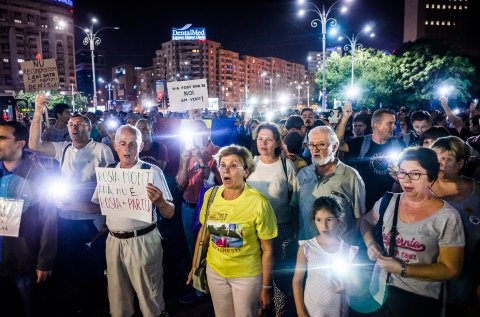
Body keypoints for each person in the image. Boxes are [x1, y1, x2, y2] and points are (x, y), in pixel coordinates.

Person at [29, 93, 115, 315]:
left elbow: (112, 189)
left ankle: (98, 307)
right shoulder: (64, 148)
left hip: (92, 223)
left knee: (94, 271)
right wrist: (38, 112)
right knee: (71, 268)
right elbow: (34, 145)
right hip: (66, 221)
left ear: (89, 128)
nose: (74, 128)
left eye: (79, 124)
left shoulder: (101, 150)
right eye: (70, 124)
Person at [361, 147, 465, 317]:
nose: (407, 180)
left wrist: (403, 268)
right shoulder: (388, 201)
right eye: (402, 173)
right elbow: (365, 222)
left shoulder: (447, 217)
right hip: (380, 292)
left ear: (431, 177)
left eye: (415, 174)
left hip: (419, 299)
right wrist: (370, 243)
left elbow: (451, 269)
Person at [92, 125, 174, 317]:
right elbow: (98, 205)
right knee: (118, 300)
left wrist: (160, 201)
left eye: (132, 144)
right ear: (115, 146)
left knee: (150, 298)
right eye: (122, 144)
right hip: (114, 242)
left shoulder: (151, 171)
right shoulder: (109, 172)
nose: (127, 149)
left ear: (141, 146)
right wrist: (67, 205)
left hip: (143, 241)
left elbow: (170, 213)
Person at [187, 145, 278, 317]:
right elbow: (204, 233)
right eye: (222, 165)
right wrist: (195, 266)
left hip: (246, 277)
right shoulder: (210, 195)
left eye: (234, 165)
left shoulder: (258, 203)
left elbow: (268, 250)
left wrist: (266, 287)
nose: (226, 169)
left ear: (246, 171)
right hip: (215, 273)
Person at [0, 121, 56, 317]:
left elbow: (49, 219)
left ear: (20, 144)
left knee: (29, 307)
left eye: (3, 138)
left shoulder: (38, 174)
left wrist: (44, 261)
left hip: (22, 257)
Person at [247, 122, 299, 317]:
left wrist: (295, 229)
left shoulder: (286, 165)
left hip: (280, 229)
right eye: (260, 139)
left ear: (277, 142)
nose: (263, 143)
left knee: (279, 275)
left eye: (268, 139)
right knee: (256, 270)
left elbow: (295, 198)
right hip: (254, 230)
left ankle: (280, 311)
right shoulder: (250, 164)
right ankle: (258, 308)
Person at [429, 136, 480, 315]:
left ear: (460, 163)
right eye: (436, 158)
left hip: (464, 274)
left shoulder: (477, 192)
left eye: (447, 159)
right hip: (425, 274)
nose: (440, 164)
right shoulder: (422, 188)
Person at [297, 126, 366, 244]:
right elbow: (296, 210)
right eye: (311, 145)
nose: (314, 150)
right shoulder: (303, 174)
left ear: (334, 147)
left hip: (338, 253)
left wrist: (350, 246)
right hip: (307, 247)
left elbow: (359, 216)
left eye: (321, 145)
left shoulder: (350, 176)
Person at [293, 195, 358, 317]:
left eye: (329, 220)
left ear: (339, 220)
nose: (324, 226)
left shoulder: (348, 251)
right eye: (319, 220)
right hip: (311, 310)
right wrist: (301, 312)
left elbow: (355, 286)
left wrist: (346, 287)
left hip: (338, 311)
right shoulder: (306, 248)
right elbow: (297, 280)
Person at [338, 108, 404, 211]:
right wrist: (345, 118)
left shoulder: (399, 145)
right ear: (376, 125)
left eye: (394, 123)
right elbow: (337, 144)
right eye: (389, 123)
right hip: (363, 205)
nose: (394, 127)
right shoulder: (360, 143)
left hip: (389, 205)